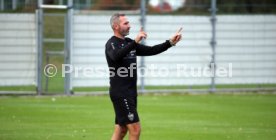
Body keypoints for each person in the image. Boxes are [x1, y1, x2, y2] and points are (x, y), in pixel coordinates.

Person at [105, 13, 182, 140]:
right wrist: (135, 42)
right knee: (135, 129)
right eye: (125, 23)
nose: (129, 26)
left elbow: (151, 50)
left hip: (130, 93)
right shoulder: (111, 43)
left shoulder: (129, 43)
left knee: (122, 129)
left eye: (129, 23)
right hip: (121, 93)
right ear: (116, 26)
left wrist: (170, 42)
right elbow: (116, 56)